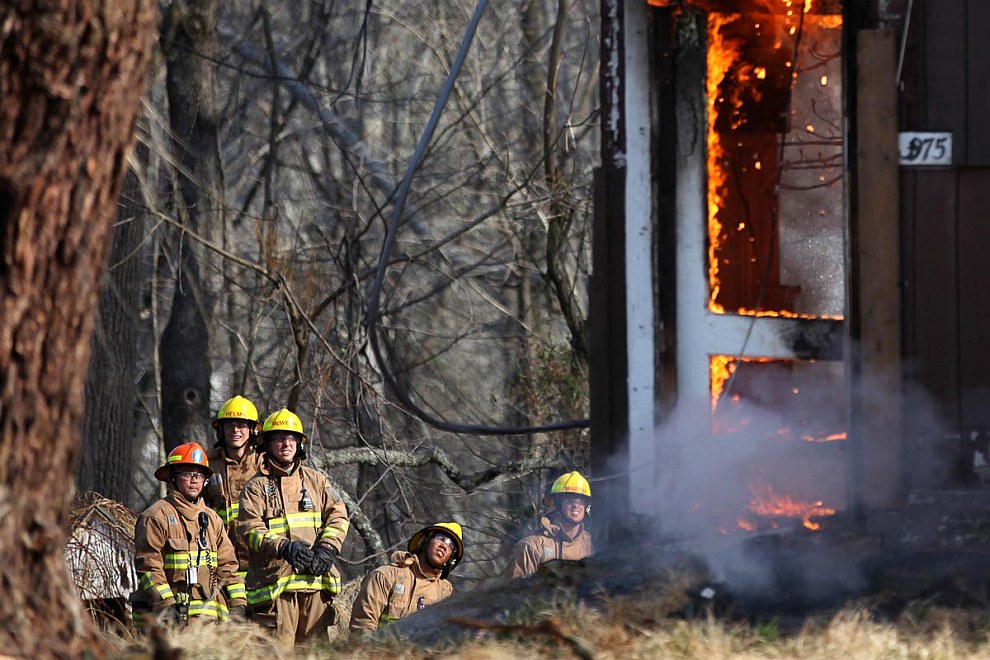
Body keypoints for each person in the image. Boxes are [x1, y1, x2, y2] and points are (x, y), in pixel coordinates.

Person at [238, 409, 350, 648]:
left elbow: (338, 516)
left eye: (291, 438)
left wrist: (328, 549)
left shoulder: (317, 481)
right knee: (277, 652)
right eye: (278, 438)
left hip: (315, 584)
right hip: (276, 589)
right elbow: (249, 529)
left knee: (315, 652)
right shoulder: (256, 487)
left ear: (299, 444)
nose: (285, 444)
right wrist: (283, 547)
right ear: (267, 444)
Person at [131, 442, 247, 627]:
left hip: (209, 626)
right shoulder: (155, 517)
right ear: (173, 477)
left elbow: (228, 566)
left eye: (199, 475)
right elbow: (149, 568)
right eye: (187, 473)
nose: (194, 480)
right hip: (167, 621)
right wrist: (166, 605)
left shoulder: (213, 519)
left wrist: (238, 604)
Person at [349, 522, 463, 634]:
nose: (444, 546)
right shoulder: (386, 576)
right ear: (426, 541)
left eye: (451, 546)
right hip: (381, 650)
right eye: (440, 538)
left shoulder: (446, 593)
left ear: (451, 559)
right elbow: (363, 625)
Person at [204, 395, 265, 575]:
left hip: (259, 560)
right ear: (221, 430)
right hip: (221, 560)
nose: (235, 430)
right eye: (230, 425)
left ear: (253, 430)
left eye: (242, 425)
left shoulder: (264, 465)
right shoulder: (207, 465)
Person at [504, 471, 594, 578]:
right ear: (557, 504)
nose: (576, 505)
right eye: (569, 499)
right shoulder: (532, 547)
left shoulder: (590, 543)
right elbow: (513, 591)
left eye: (581, 500)